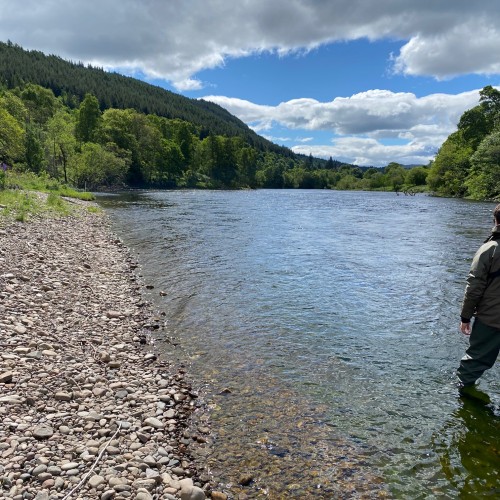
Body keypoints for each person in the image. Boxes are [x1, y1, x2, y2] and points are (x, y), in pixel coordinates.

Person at [457, 204, 500, 392]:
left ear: (495, 220)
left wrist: (465, 317)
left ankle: (461, 400)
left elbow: (474, 287)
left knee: (472, 364)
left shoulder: (490, 249)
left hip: (492, 319)